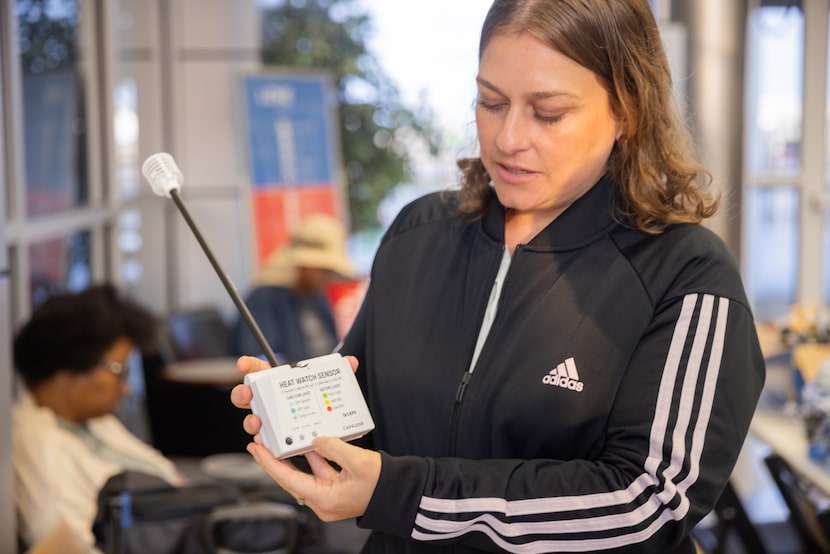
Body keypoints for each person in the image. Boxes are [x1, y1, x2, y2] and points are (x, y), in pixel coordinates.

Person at [230, 1, 766, 552]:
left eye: (548, 112)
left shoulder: (686, 274)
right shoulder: (418, 232)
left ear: (626, 111)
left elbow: (648, 502)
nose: (508, 138)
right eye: (491, 102)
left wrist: (404, 494)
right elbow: (365, 411)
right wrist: (302, 419)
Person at [12, 284, 186, 551]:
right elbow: (68, 545)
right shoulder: (37, 446)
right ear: (69, 368)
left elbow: (162, 468)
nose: (126, 388)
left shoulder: (93, 421)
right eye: (119, 371)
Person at [233, 213, 357, 363]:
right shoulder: (264, 299)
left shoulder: (318, 299)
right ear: (303, 265)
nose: (328, 278)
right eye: (324, 270)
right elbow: (258, 358)